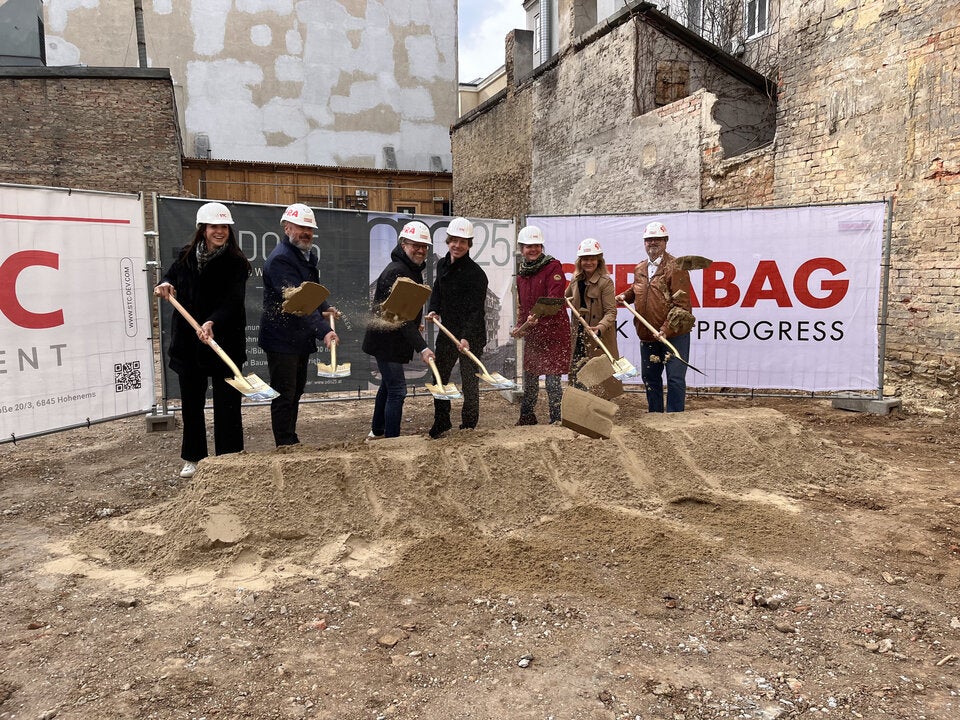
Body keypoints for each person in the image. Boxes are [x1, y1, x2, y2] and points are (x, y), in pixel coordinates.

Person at [155, 202, 252, 479]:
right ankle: (193, 457)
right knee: (192, 405)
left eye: (224, 227)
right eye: (214, 227)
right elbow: (170, 276)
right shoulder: (186, 256)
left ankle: (229, 457)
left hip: (224, 341)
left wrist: (212, 322)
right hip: (189, 343)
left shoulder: (236, 262)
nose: (219, 231)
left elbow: (233, 300)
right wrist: (166, 283)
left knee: (227, 404)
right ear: (203, 229)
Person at [258, 203, 339, 446]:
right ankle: (285, 445)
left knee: (296, 392)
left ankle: (290, 440)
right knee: (285, 394)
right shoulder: (281, 260)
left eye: (309, 229)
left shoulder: (306, 256)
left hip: (299, 337)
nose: (306, 233)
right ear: (287, 228)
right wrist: (324, 331)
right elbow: (299, 302)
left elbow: (311, 291)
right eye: (301, 227)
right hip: (281, 339)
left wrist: (325, 308)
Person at [362, 220, 436, 439]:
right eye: (416, 245)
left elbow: (405, 309)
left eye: (424, 246)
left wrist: (416, 321)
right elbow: (400, 316)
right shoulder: (397, 272)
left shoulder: (410, 269)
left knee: (387, 386)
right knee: (397, 391)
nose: (421, 250)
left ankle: (377, 431)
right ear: (403, 244)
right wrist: (423, 348)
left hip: (390, 340)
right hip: (386, 343)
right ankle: (392, 440)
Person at [617, 220, 695, 412]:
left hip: (674, 335)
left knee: (675, 378)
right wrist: (626, 296)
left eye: (657, 239)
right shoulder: (640, 268)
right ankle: (655, 416)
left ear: (666, 241)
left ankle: (675, 417)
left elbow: (682, 305)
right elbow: (638, 289)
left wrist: (666, 329)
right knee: (650, 378)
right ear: (644, 243)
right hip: (647, 333)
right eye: (649, 240)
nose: (652, 243)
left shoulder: (676, 267)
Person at [425, 217, 488, 438]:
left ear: (469, 244)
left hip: (471, 334)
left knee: (469, 379)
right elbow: (437, 289)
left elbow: (476, 311)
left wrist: (467, 337)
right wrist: (434, 309)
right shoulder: (442, 264)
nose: (457, 245)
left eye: (462, 242)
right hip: (448, 330)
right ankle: (442, 420)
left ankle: (469, 424)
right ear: (448, 241)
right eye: (454, 240)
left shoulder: (476, 274)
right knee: (439, 376)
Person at [509, 225, 571, 425]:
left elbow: (554, 299)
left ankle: (556, 419)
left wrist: (536, 318)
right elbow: (523, 307)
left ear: (542, 247)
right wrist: (520, 326)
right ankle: (527, 417)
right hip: (534, 334)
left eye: (537, 245)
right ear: (521, 249)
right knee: (530, 378)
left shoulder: (553, 267)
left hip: (554, 332)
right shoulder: (521, 276)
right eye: (529, 246)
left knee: (552, 382)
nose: (533, 249)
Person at [565, 238, 619, 389]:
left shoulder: (605, 282)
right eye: (585, 259)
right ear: (580, 261)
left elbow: (611, 312)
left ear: (599, 261)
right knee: (578, 374)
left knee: (599, 381)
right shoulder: (575, 280)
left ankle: (598, 404)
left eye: (592, 259)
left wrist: (600, 327)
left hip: (597, 338)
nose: (588, 262)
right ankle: (579, 402)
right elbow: (565, 299)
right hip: (578, 336)